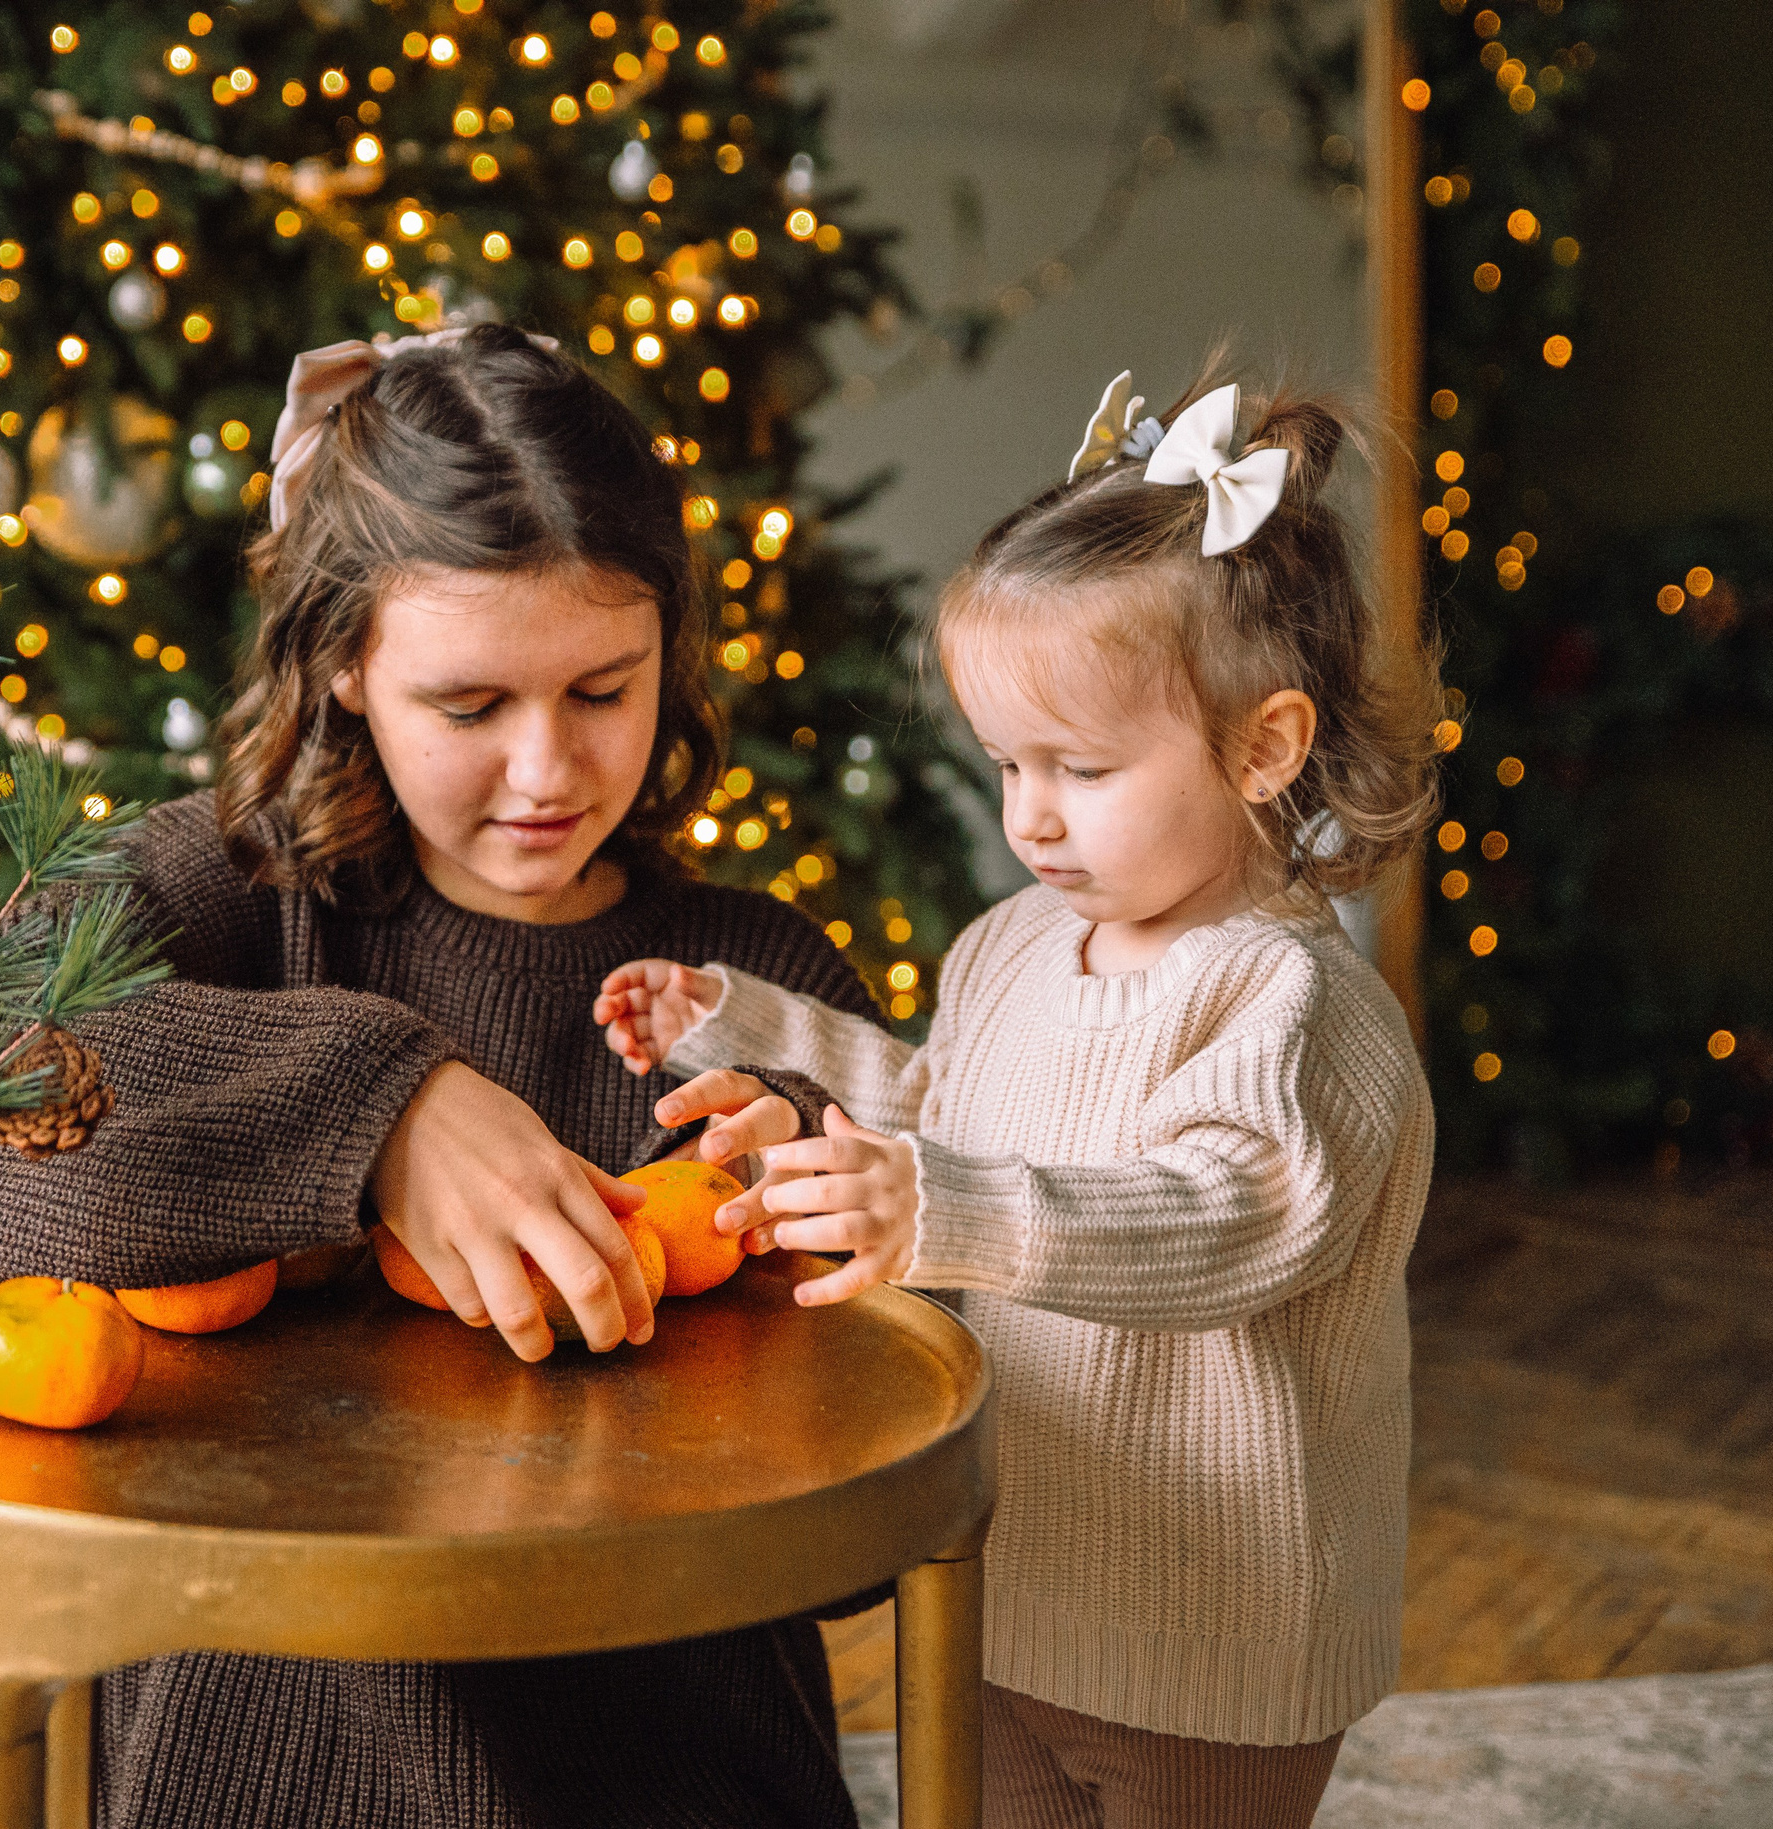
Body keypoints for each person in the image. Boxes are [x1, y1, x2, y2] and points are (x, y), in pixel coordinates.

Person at [0, 324, 874, 1828]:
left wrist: (837, 1200)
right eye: (469, 705)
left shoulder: (763, 983)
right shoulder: (232, 896)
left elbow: (879, 1512)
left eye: (603, 690)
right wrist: (377, 1105)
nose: (546, 770)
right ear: (343, 665)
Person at [596, 367, 1442, 1828]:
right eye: (1004, 762)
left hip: (1212, 1630)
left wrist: (943, 1207)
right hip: (1009, 1574)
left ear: (1266, 748)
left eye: (1083, 767)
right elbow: (948, 1101)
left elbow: (1223, 1220)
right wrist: (745, 1025)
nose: (1029, 814)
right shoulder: (1014, 942)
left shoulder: (1290, 1003)